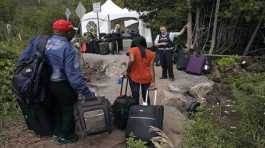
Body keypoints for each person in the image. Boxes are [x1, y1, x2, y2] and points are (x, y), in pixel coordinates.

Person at [46, 19, 95, 144]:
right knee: (68, 109)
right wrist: (87, 93)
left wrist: (81, 76)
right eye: (71, 31)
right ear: (66, 32)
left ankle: (58, 132)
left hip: (50, 84)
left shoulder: (48, 43)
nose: (73, 34)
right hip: (64, 84)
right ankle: (66, 136)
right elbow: (73, 77)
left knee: (58, 108)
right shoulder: (68, 49)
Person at [124, 36, 155, 105]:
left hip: (134, 76)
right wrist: (153, 81)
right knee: (146, 95)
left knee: (135, 95)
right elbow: (151, 69)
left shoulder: (132, 49)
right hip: (146, 77)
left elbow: (132, 60)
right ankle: (147, 110)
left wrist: (127, 70)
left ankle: (136, 110)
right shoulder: (151, 53)